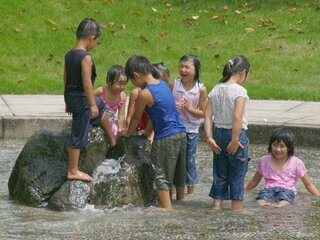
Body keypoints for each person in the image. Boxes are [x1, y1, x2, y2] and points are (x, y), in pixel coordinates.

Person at [124, 55, 186, 210]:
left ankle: (167, 209)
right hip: (181, 134)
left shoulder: (145, 94)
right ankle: (177, 202)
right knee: (176, 174)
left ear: (136, 76)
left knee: (160, 175)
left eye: (132, 81)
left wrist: (126, 133)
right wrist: (146, 134)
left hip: (166, 137)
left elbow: (136, 118)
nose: (133, 84)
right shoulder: (164, 85)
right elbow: (155, 116)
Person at [64, 18, 116, 181]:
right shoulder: (85, 58)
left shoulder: (69, 54)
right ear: (91, 38)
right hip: (82, 101)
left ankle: (112, 139)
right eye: (97, 41)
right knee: (78, 133)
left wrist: (67, 101)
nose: (95, 44)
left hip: (72, 97)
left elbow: (65, 77)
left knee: (101, 106)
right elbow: (87, 83)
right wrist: (92, 104)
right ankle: (73, 170)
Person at [204, 55, 251, 211]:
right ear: (244, 72)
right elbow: (237, 117)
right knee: (237, 175)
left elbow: (207, 115)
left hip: (218, 135)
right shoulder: (240, 91)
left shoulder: (216, 88)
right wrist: (234, 139)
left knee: (220, 174)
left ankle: (216, 207)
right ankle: (236, 210)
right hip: (235, 137)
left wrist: (209, 137)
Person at [245, 127, 320, 207]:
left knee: (285, 200)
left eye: (282, 146)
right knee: (261, 199)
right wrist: (243, 192)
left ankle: (279, 206)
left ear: (289, 148)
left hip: (287, 190)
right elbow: (254, 181)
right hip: (268, 189)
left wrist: (318, 196)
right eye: (275, 145)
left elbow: (308, 184)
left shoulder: (296, 162)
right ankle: (265, 205)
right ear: (270, 145)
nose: (278, 149)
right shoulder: (264, 160)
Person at [170, 54, 207, 196]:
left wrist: (189, 108)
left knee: (189, 160)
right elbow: (166, 105)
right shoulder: (174, 85)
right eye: (181, 66)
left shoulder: (200, 89)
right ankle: (174, 188)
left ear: (196, 71)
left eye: (187, 67)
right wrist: (175, 106)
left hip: (191, 130)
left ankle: (190, 190)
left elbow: (203, 113)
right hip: (175, 128)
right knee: (174, 159)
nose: (182, 70)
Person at [126, 62, 170, 141]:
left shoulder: (163, 93)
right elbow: (131, 117)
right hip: (137, 128)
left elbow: (154, 120)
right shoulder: (136, 93)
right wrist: (128, 134)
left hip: (154, 130)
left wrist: (152, 135)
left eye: (165, 83)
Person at [94, 65, 128, 136]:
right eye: (120, 83)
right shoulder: (101, 91)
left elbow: (121, 115)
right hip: (97, 121)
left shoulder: (122, 96)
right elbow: (89, 100)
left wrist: (120, 129)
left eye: (124, 84)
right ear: (109, 82)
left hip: (110, 124)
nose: (122, 87)